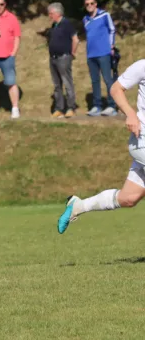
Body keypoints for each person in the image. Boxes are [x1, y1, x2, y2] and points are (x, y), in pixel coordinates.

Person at [58, 59, 145, 234]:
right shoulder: (142, 65)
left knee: (129, 198)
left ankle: (79, 205)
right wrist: (130, 115)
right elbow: (116, 89)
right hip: (142, 138)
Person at [83, 0, 117, 117]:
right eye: (87, 4)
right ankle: (97, 105)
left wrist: (111, 45)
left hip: (104, 53)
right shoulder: (85, 19)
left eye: (91, 3)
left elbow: (112, 29)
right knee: (94, 81)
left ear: (96, 4)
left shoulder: (104, 15)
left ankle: (112, 105)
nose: (89, 6)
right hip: (91, 55)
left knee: (108, 79)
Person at [48, 3, 79, 119]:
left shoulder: (67, 24)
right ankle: (59, 108)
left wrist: (72, 54)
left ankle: (71, 107)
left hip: (64, 57)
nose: (49, 16)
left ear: (57, 13)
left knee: (67, 83)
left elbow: (75, 40)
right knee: (57, 85)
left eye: (51, 13)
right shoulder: (54, 25)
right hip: (53, 58)